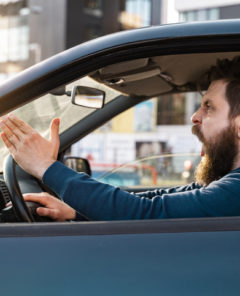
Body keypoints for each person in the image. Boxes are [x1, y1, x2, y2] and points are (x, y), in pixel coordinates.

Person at [1, 57, 240, 221]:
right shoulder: (224, 185)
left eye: (209, 107)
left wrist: (46, 167)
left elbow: (148, 213)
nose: (194, 116)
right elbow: (156, 199)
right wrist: (74, 211)